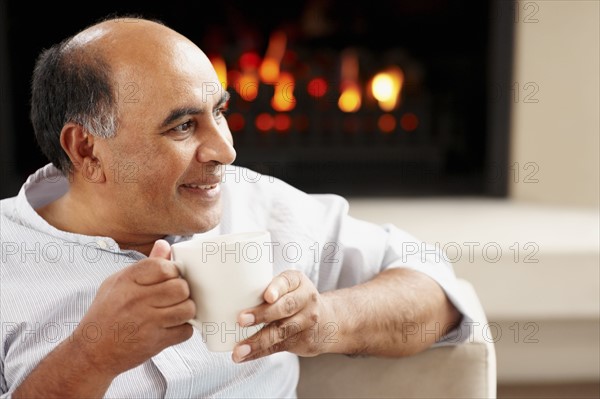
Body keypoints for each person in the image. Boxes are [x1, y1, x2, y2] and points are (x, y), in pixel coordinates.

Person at [0, 15, 472, 398]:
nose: (225, 150)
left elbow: (435, 290)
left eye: (219, 113)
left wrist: (326, 321)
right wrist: (92, 355)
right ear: (86, 150)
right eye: (183, 126)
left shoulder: (254, 203)